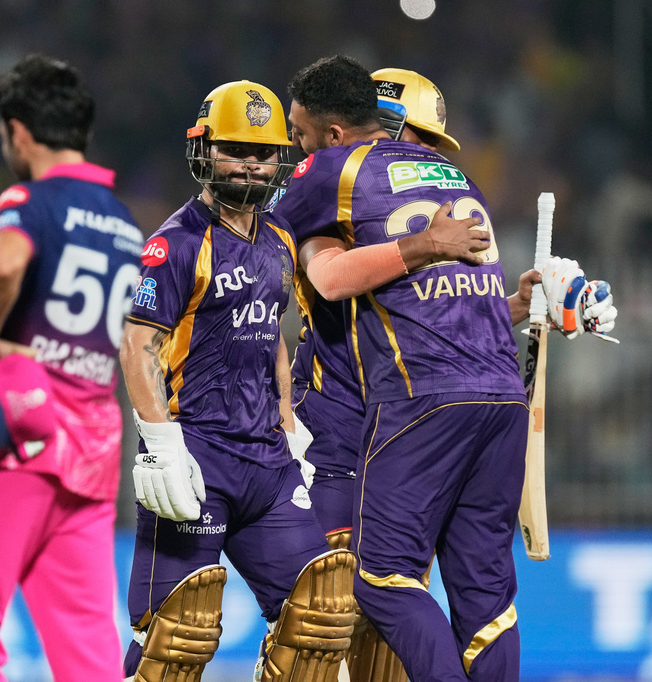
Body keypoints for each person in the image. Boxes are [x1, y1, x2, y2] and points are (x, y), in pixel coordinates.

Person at [276, 55, 616, 682]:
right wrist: (521, 304)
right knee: (485, 599)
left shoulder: (332, 169)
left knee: (379, 582)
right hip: (498, 397)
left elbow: (312, 272)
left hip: (414, 402)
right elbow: (449, 300)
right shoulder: (457, 178)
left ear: (331, 131)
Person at [120, 80, 356, 682]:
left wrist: (288, 423)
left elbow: (267, 329)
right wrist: (162, 444)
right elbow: (137, 345)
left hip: (269, 468)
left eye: (263, 152)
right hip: (197, 461)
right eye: (235, 150)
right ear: (204, 150)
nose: (251, 164)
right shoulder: (173, 245)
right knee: (173, 642)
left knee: (320, 622)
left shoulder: (279, 238)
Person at [0, 54, 144, 682]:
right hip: (92, 451)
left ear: (19, 131)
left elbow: (1, 265)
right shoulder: (125, 224)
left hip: (16, 439)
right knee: (86, 644)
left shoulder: (30, 198)